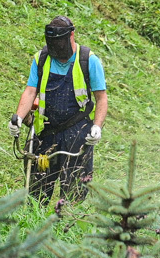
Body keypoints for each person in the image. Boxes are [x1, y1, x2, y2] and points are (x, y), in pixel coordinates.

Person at [8, 16, 108, 205]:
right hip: (46, 132)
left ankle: (66, 227)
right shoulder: (42, 59)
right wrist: (19, 119)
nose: (58, 50)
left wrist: (97, 127)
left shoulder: (88, 61)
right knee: (36, 190)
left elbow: (101, 98)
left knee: (74, 192)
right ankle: (34, 226)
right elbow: (31, 91)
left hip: (77, 133)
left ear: (71, 35)